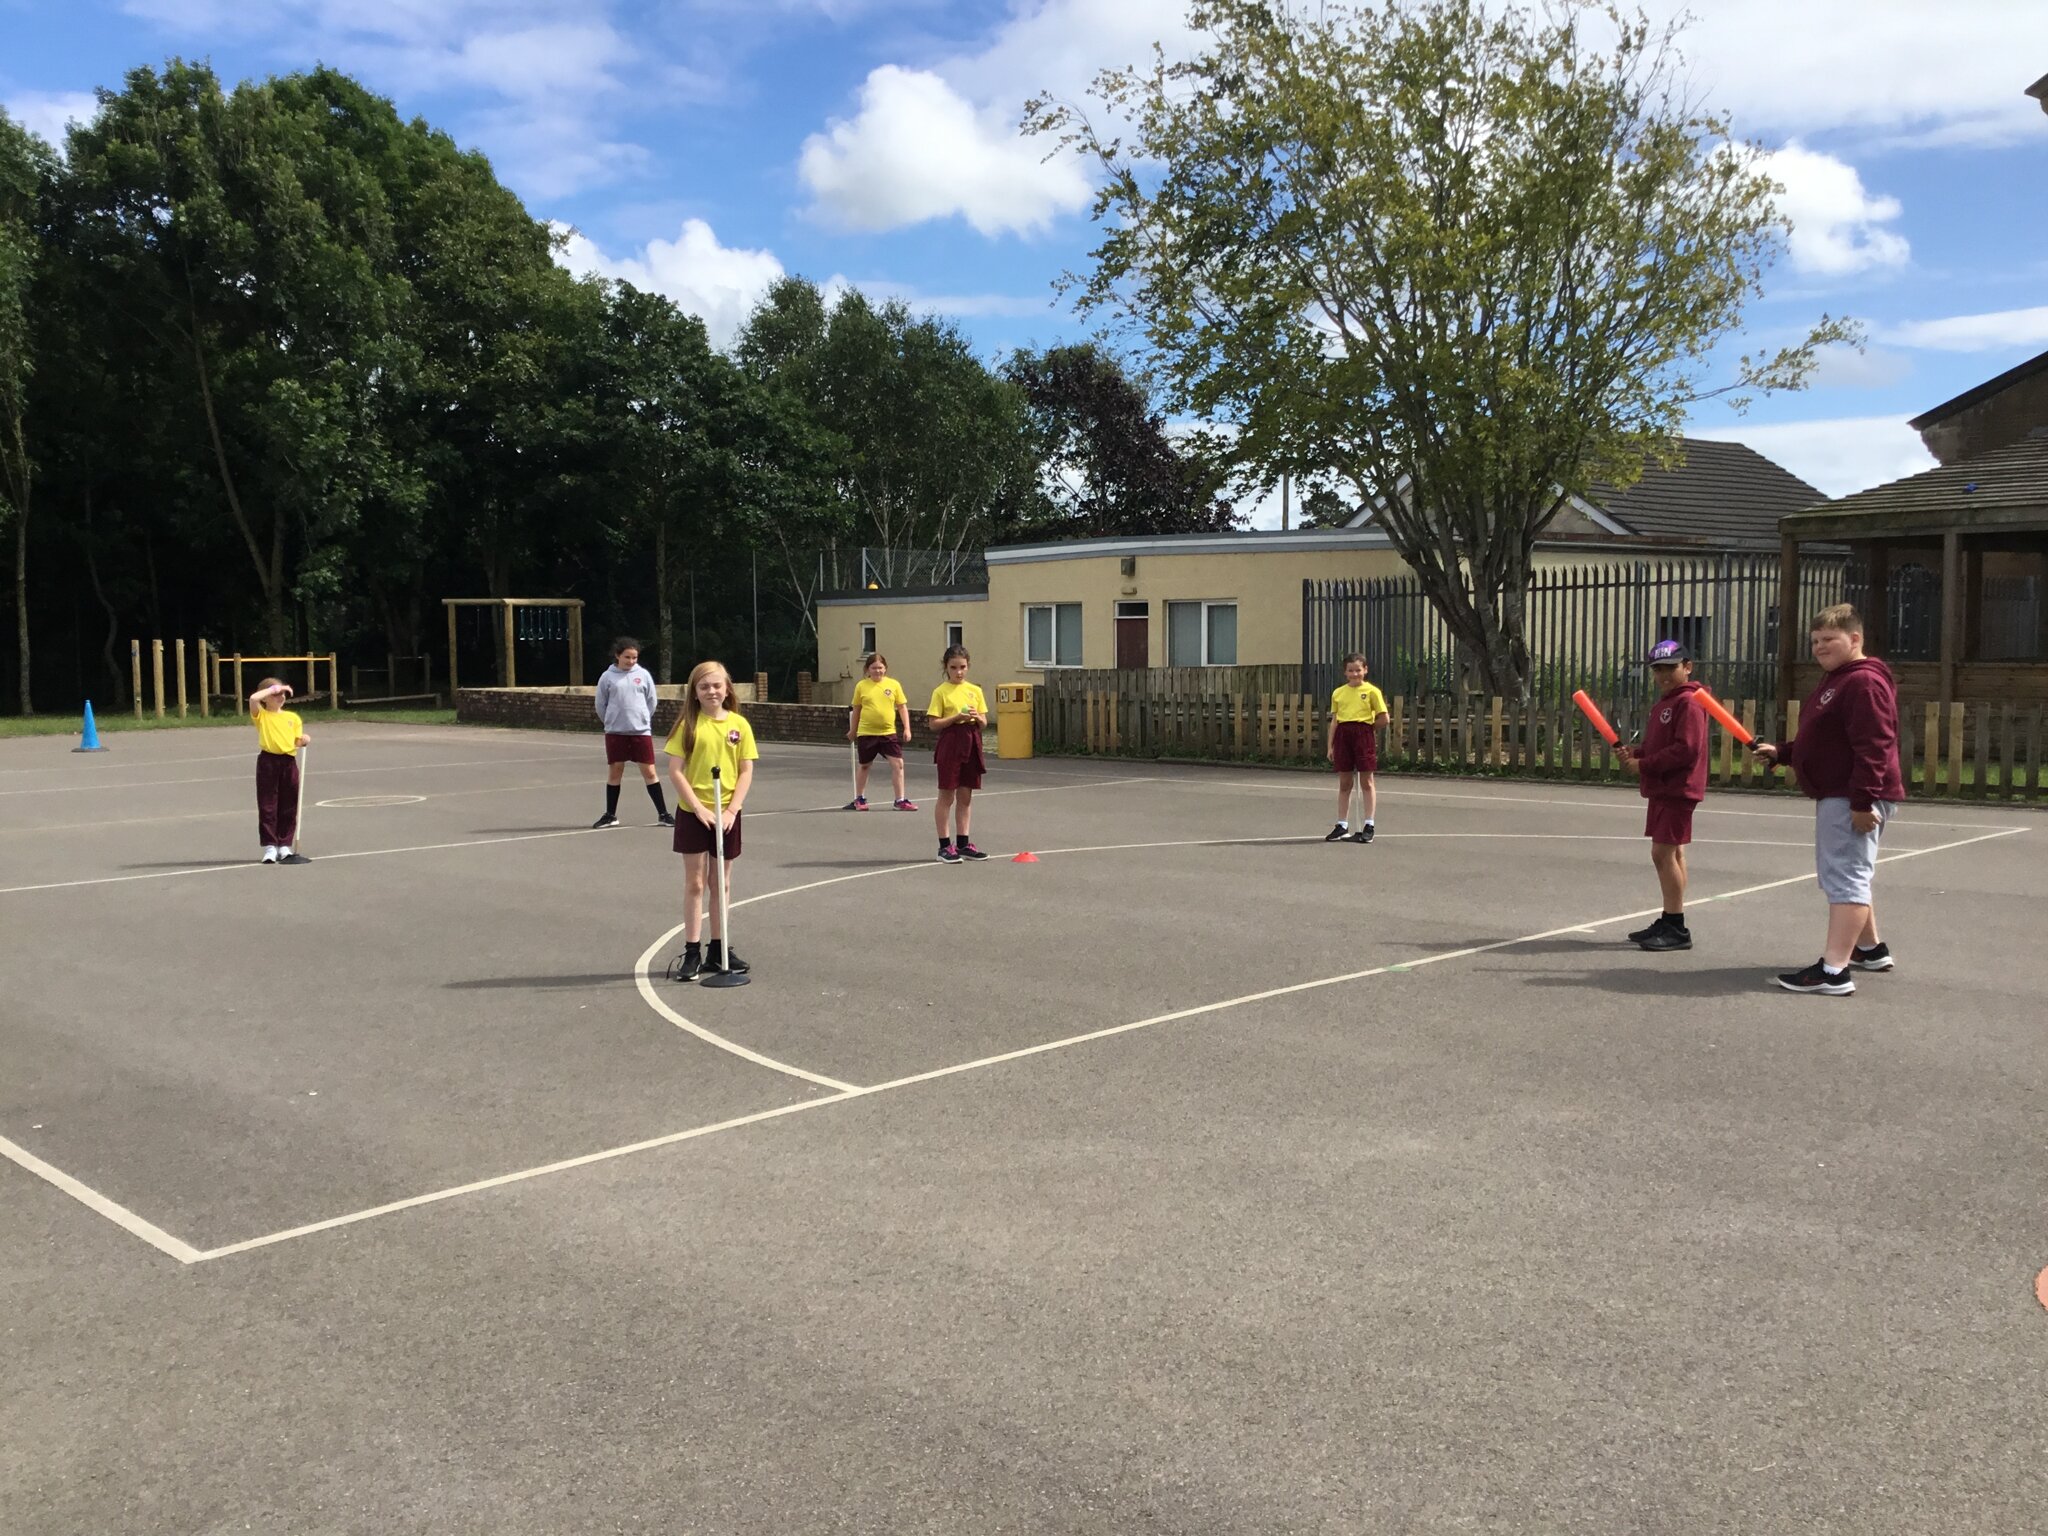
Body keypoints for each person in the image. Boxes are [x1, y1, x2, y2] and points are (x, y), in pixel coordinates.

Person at [1750, 604, 1904, 995]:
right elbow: (1823, 739)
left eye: (1829, 640)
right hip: (1840, 793)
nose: (1820, 647)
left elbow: (1874, 746)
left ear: (1855, 639)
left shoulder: (1863, 682)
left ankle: (1834, 971)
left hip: (1851, 795)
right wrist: (1783, 753)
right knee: (1847, 872)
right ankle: (1869, 949)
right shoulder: (1838, 680)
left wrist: (1862, 801)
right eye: (1815, 641)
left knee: (1846, 877)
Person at [662, 660, 757, 979]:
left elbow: (746, 770)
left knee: (722, 882)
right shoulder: (688, 725)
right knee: (696, 883)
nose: (712, 691)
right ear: (695, 692)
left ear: (727, 688)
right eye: (704, 686)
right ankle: (692, 950)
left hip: (727, 813)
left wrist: (731, 810)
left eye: (717, 685)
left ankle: (719, 948)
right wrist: (699, 809)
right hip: (694, 813)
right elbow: (675, 771)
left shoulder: (739, 726)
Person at [1616, 640, 1709, 952]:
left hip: (1678, 788)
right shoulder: (1668, 703)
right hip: (1665, 787)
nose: (1664, 675)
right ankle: (1671, 920)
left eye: (1671, 668)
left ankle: (1676, 924)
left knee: (1662, 854)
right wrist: (1638, 752)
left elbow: (1686, 750)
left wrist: (1644, 764)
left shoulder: (1689, 702)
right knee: (1674, 853)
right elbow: (1663, 746)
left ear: (1687, 667)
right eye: (1658, 669)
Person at [593, 637, 671, 829]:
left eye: (634, 657)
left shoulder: (643, 675)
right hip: (616, 732)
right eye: (627, 657)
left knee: (650, 772)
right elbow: (600, 704)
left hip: (640, 732)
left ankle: (663, 814)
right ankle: (610, 815)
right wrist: (612, 721)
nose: (631, 661)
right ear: (618, 656)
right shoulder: (607, 677)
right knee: (615, 771)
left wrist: (642, 720)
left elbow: (651, 701)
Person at [926, 644, 988, 863]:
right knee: (947, 795)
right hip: (951, 742)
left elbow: (983, 722)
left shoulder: (975, 690)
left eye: (962, 667)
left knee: (966, 795)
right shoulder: (940, 691)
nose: (959, 672)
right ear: (946, 667)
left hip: (971, 740)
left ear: (968, 666)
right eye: (954, 667)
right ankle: (944, 846)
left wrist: (977, 718)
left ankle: (963, 843)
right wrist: (954, 718)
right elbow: (934, 724)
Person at [1324, 652, 1389, 843]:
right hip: (1343, 735)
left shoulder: (1372, 691)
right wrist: (1330, 745)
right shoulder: (1338, 693)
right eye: (1350, 671)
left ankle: (1369, 824)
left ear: (1365, 670)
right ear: (1345, 672)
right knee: (1345, 782)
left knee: (1366, 781)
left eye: (1358, 670)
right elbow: (1335, 721)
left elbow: (1384, 718)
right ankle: (1342, 825)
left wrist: (1368, 731)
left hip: (1363, 733)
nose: (1354, 674)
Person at [249, 677, 310, 865]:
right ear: (266, 697)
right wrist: (276, 687)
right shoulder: (262, 715)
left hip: (288, 761)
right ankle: (270, 846)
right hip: (268, 761)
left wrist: (304, 740)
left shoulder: (292, 718)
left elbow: (296, 741)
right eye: (275, 694)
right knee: (268, 804)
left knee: (289, 803)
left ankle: (284, 844)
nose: (280, 696)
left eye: (283, 694)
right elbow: (253, 698)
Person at [846, 653, 918, 811]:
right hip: (867, 732)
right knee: (865, 765)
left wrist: (907, 728)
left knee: (898, 764)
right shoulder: (861, 686)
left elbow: (902, 707)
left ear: (885, 668)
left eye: (880, 668)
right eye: (874, 668)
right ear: (867, 669)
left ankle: (900, 800)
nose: (877, 671)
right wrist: (853, 730)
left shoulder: (894, 685)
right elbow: (856, 709)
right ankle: (860, 798)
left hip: (888, 733)